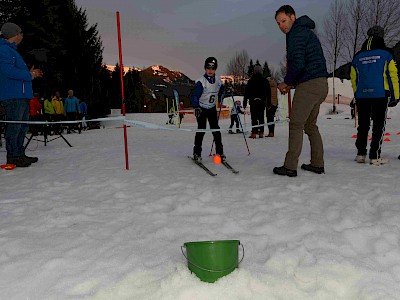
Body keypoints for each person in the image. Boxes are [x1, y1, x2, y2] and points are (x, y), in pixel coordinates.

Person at [273, 5, 328, 177]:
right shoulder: (306, 32)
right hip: (321, 84)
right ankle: (317, 163)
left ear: (292, 17)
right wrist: (292, 82)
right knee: (310, 125)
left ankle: (290, 167)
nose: (281, 26)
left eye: (283, 20)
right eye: (278, 23)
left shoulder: (296, 33)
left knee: (296, 124)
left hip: (310, 85)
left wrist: (286, 82)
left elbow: (298, 63)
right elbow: (304, 63)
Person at [350, 26, 399, 166]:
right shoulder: (386, 53)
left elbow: (354, 78)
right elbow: (392, 75)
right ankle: (374, 155)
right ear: (381, 36)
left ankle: (360, 154)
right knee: (378, 125)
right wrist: (395, 95)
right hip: (380, 94)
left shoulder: (358, 56)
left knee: (363, 124)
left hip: (362, 94)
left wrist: (357, 94)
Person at [0, 22, 42, 167]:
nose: (22, 36)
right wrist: (29, 74)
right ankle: (13, 156)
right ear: (15, 34)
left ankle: (19, 153)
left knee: (22, 126)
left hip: (21, 95)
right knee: (15, 126)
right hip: (13, 95)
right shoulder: (4, 50)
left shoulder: (12, 50)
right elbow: (7, 71)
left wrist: (29, 73)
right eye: (20, 33)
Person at [191, 57, 225, 161]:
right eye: (208, 68)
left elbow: (221, 90)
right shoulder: (201, 82)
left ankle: (220, 152)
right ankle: (197, 153)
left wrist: (225, 91)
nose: (210, 70)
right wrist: (196, 106)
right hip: (201, 108)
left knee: (216, 130)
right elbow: (195, 96)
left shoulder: (218, 80)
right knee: (201, 130)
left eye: (213, 68)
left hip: (212, 108)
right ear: (205, 68)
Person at [243, 64, 271, 139]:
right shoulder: (265, 81)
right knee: (261, 117)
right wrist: (268, 103)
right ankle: (261, 133)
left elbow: (246, 92)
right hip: (262, 102)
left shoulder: (251, 81)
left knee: (254, 117)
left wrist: (245, 102)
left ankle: (254, 133)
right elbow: (268, 93)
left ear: (254, 71)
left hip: (253, 102)